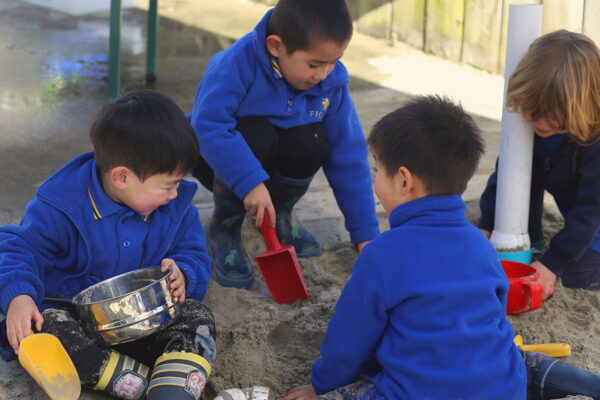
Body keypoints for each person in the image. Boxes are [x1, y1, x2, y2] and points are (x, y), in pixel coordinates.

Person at [283, 96, 600, 400]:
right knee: (517, 359)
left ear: (404, 181)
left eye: (377, 169)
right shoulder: (482, 245)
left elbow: (348, 341)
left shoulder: (381, 254)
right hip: (502, 390)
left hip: (416, 393)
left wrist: (320, 385)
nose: (375, 181)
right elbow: (495, 311)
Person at [0, 90, 215, 400]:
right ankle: (129, 381)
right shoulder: (63, 206)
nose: (175, 194)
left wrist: (185, 273)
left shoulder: (176, 207)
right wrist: (18, 295)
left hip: (149, 319)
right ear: (122, 178)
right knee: (46, 326)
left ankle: (171, 390)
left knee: (198, 318)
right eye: (168, 185)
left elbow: (192, 252)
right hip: (81, 324)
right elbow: (16, 247)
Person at [187, 0, 379, 288]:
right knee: (256, 134)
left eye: (334, 61)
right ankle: (224, 228)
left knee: (313, 138)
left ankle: (281, 214)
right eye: (314, 64)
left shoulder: (330, 83)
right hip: (218, 162)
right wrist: (249, 182)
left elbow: (348, 154)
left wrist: (365, 234)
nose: (324, 74)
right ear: (276, 46)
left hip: (277, 163)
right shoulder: (236, 64)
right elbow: (208, 126)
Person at [479, 30, 600, 301]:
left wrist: (550, 265)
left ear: (577, 109)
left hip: (595, 219)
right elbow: (507, 174)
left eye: (545, 112)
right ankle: (534, 238)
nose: (531, 117)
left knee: (574, 274)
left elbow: (589, 213)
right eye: (529, 105)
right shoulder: (537, 125)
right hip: (580, 214)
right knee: (527, 170)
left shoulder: (594, 144)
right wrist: (485, 225)